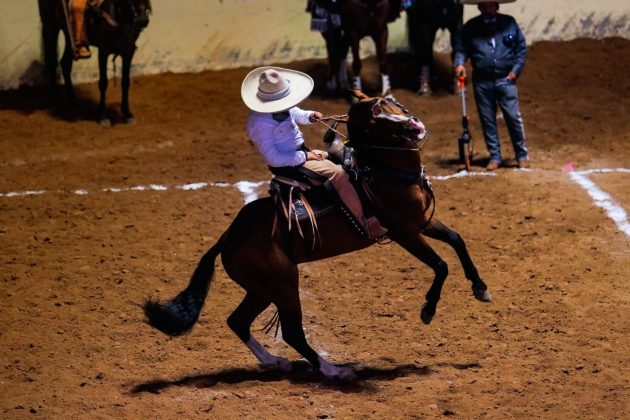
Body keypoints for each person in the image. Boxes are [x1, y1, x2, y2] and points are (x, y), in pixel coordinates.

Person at [241, 67, 385, 239]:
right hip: (289, 164)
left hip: (302, 153)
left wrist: (310, 116)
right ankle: (366, 223)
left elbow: (295, 112)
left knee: (345, 158)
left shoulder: (280, 107)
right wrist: (304, 156)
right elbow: (273, 158)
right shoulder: (259, 124)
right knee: (338, 174)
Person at [453, 0, 530, 170]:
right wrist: (459, 63)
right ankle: (495, 156)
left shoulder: (509, 23)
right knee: (487, 119)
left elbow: (521, 48)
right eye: (485, 6)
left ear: (496, 6)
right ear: (479, 8)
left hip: (506, 79)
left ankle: (521, 155)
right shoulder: (471, 28)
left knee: (512, 117)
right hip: (482, 81)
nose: (488, 9)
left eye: (491, 6)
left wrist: (515, 71)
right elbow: (461, 49)